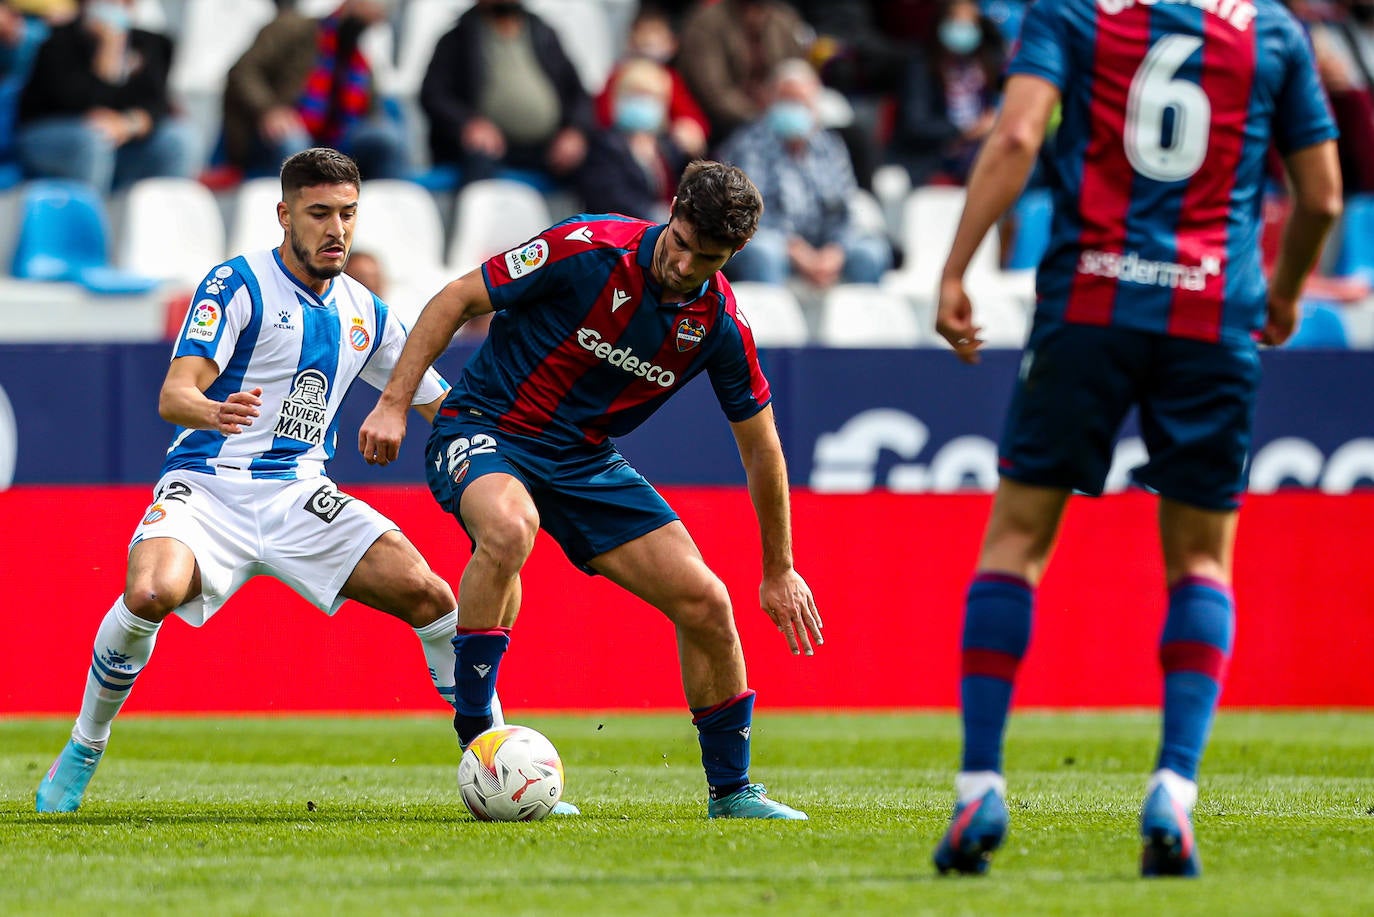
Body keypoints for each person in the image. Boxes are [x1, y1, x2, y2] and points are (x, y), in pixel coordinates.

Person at [930, 0, 1341, 877]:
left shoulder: (1073, 13)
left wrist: (957, 265)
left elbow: (1015, 137)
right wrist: (1286, 291)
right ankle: (1174, 787)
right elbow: (1324, 194)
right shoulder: (1270, 30)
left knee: (1015, 542)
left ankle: (978, 784)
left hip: (1088, 304)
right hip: (1212, 313)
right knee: (1201, 562)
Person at [32, 148, 530, 814]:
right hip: (209, 485)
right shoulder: (235, 285)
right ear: (284, 213)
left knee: (431, 594)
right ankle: (86, 744)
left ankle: (496, 759)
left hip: (300, 494)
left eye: (348, 214)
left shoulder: (366, 312)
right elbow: (174, 393)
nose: (336, 230)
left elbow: (441, 404)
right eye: (319, 213)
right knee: (150, 591)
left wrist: (505, 461)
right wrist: (213, 409)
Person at [358, 160, 824, 820]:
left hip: (583, 461)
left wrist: (779, 569)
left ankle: (733, 792)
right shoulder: (587, 246)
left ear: (733, 255)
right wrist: (395, 402)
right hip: (487, 424)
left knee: (707, 600)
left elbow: (763, 448)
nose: (684, 264)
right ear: (671, 213)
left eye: (706, 258)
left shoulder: (720, 323)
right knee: (510, 526)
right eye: (681, 242)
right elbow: (457, 297)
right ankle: (480, 744)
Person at [720, 59, 890, 289]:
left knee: (871, 252)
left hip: (824, 244)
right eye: (787, 100)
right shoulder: (748, 145)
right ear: (770, 101)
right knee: (764, 252)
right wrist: (798, 252)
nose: (794, 108)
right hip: (774, 243)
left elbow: (846, 211)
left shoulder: (830, 146)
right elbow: (747, 217)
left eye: (801, 101)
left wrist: (835, 252)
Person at [15, 0, 199, 193]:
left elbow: (156, 103)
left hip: (118, 142)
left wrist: (128, 124)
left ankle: (164, 216)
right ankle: (87, 220)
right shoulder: (59, 38)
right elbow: (79, 104)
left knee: (178, 138)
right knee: (94, 138)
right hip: (55, 136)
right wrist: (108, 52)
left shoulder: (151, 43)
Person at [222, 0, 410, 181]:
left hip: (338, 137)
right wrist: (268, 110)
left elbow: (370, 108)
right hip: (276, 131)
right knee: (294, 144)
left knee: (386, 138)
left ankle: (382, 208)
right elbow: (243, 72)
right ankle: (298, 210)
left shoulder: (359, 59)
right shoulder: (291, 29)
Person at [419, 0, 591, 189]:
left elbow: (578, 93)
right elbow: (434, 95)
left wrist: (575, 131)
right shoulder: (457, 38)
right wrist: (467, 123)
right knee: (479, 161)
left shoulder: (544, 34)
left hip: (548, 148)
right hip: (491, 148)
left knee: (604, 153)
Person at [888, 0, 1006, 186]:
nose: (964, 29)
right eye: (958, 21)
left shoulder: (987, 65)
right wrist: (967, 131)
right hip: (934, 156)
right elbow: (916, 124)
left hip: (979, 148)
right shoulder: (921, 66)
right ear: (942, 23)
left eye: (971, 23)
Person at [677, 0, 810, 146]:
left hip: (777, 109)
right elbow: (712, 91)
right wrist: (758, 115)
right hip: (725, 122)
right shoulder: (705, 23)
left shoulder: (784, 18)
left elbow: (797, 71)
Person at [578, 56, 689, 222]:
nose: (644, 102)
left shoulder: (665, 146)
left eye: (652, 96)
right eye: (636, 94)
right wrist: (656, 215)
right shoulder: (604, 144)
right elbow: (611, 197)